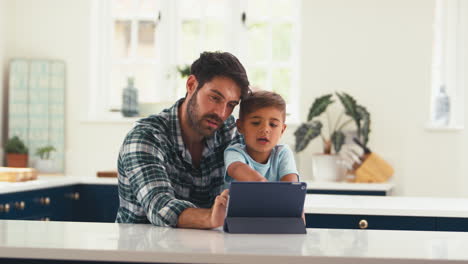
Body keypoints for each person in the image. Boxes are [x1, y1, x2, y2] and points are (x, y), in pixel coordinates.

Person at [116, 51, 251, 229]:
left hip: (209, 251)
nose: (221, 113)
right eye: (215, 98)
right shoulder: (145, 137)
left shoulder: (230, 133)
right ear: (191, 85)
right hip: (142, 252)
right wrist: (213, 217)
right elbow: (161, 208)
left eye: (231, 105)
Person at [224, 90, 299, 186]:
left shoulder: (283, 153)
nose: (265, 130)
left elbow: (291, 187)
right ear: (240, 126)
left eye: (273, 124)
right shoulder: (234, 152)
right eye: (256, 123)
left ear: (282, 130)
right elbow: (236, 169)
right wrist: (266, 188)